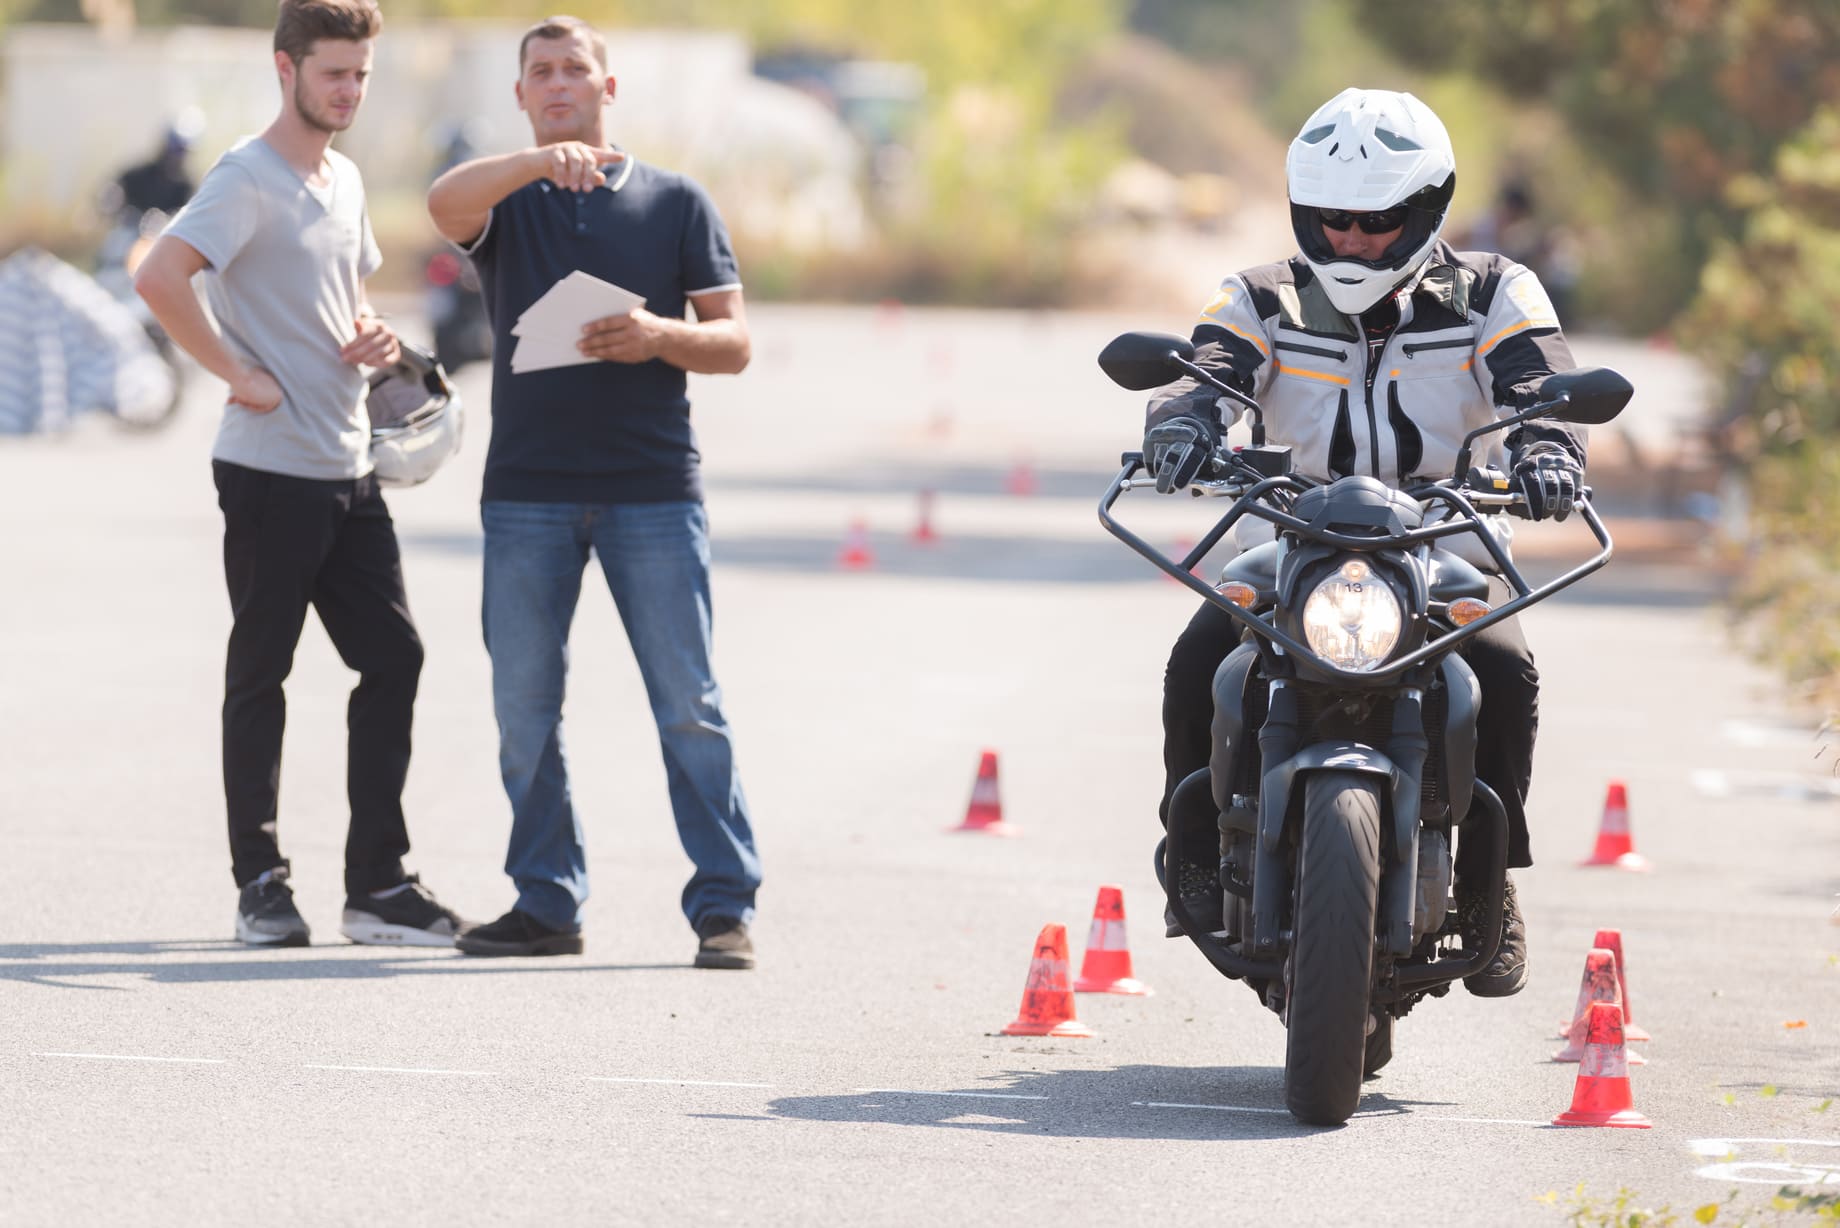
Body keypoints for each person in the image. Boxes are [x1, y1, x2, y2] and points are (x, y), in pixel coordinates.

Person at [1141, 88, 1589, 999]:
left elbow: (1540, 383)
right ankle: (1189, 850)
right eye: (1331, 218)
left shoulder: (1495, 291)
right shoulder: (1261, 295)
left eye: (1375, 221)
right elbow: (1209, 373)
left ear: (1425, 210)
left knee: (1504, 668)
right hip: (1292, 538)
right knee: (1199, 657)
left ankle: (1489, 884)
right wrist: (1182, 426)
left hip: (1445, 538)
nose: (1349, 238)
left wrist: (1549, 448)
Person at [426, 15, 762, 968]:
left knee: (688, 704)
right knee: (523, 707)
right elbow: (442, 203)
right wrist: (538, 165)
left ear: (608, 89)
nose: (560, 82)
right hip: (526, 491)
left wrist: (660, 335)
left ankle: (724, 906)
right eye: (542, 72)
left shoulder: (675, 201)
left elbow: (733, 342)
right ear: (523, 97)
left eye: (577, 68)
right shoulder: (506, 201)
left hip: (652, 489)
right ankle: (546, 903)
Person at [135, 0, 466, 949]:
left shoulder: (346, 179)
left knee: (394, 658)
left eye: (360, 75)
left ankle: (377, 888)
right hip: (270, 470)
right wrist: (236, 374)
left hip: (348, 460)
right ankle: (261, 885)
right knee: (262, 674)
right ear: (286, 69)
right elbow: (159, 274)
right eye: (334, 74)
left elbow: (342, 294)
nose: (349, 91)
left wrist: (376, 337)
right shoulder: (247, 177)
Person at [112, 110, 203, 218]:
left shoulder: (187, 189)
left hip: (163, 234)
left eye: (180, 151)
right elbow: (113, 194)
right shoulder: (137, 176)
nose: (174, 156)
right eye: (172, 148)